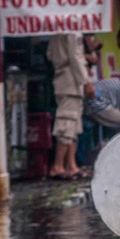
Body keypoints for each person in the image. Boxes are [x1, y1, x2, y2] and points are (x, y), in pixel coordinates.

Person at [46, 33, 92, 179]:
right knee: (67, 122)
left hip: (62, 77)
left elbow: (50, 54)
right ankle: (58, 166)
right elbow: (75, 57)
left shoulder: (57, 30)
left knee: (73, 125)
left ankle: (71, 165)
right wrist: (86, 81)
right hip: (72, 80)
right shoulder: (72, 30)